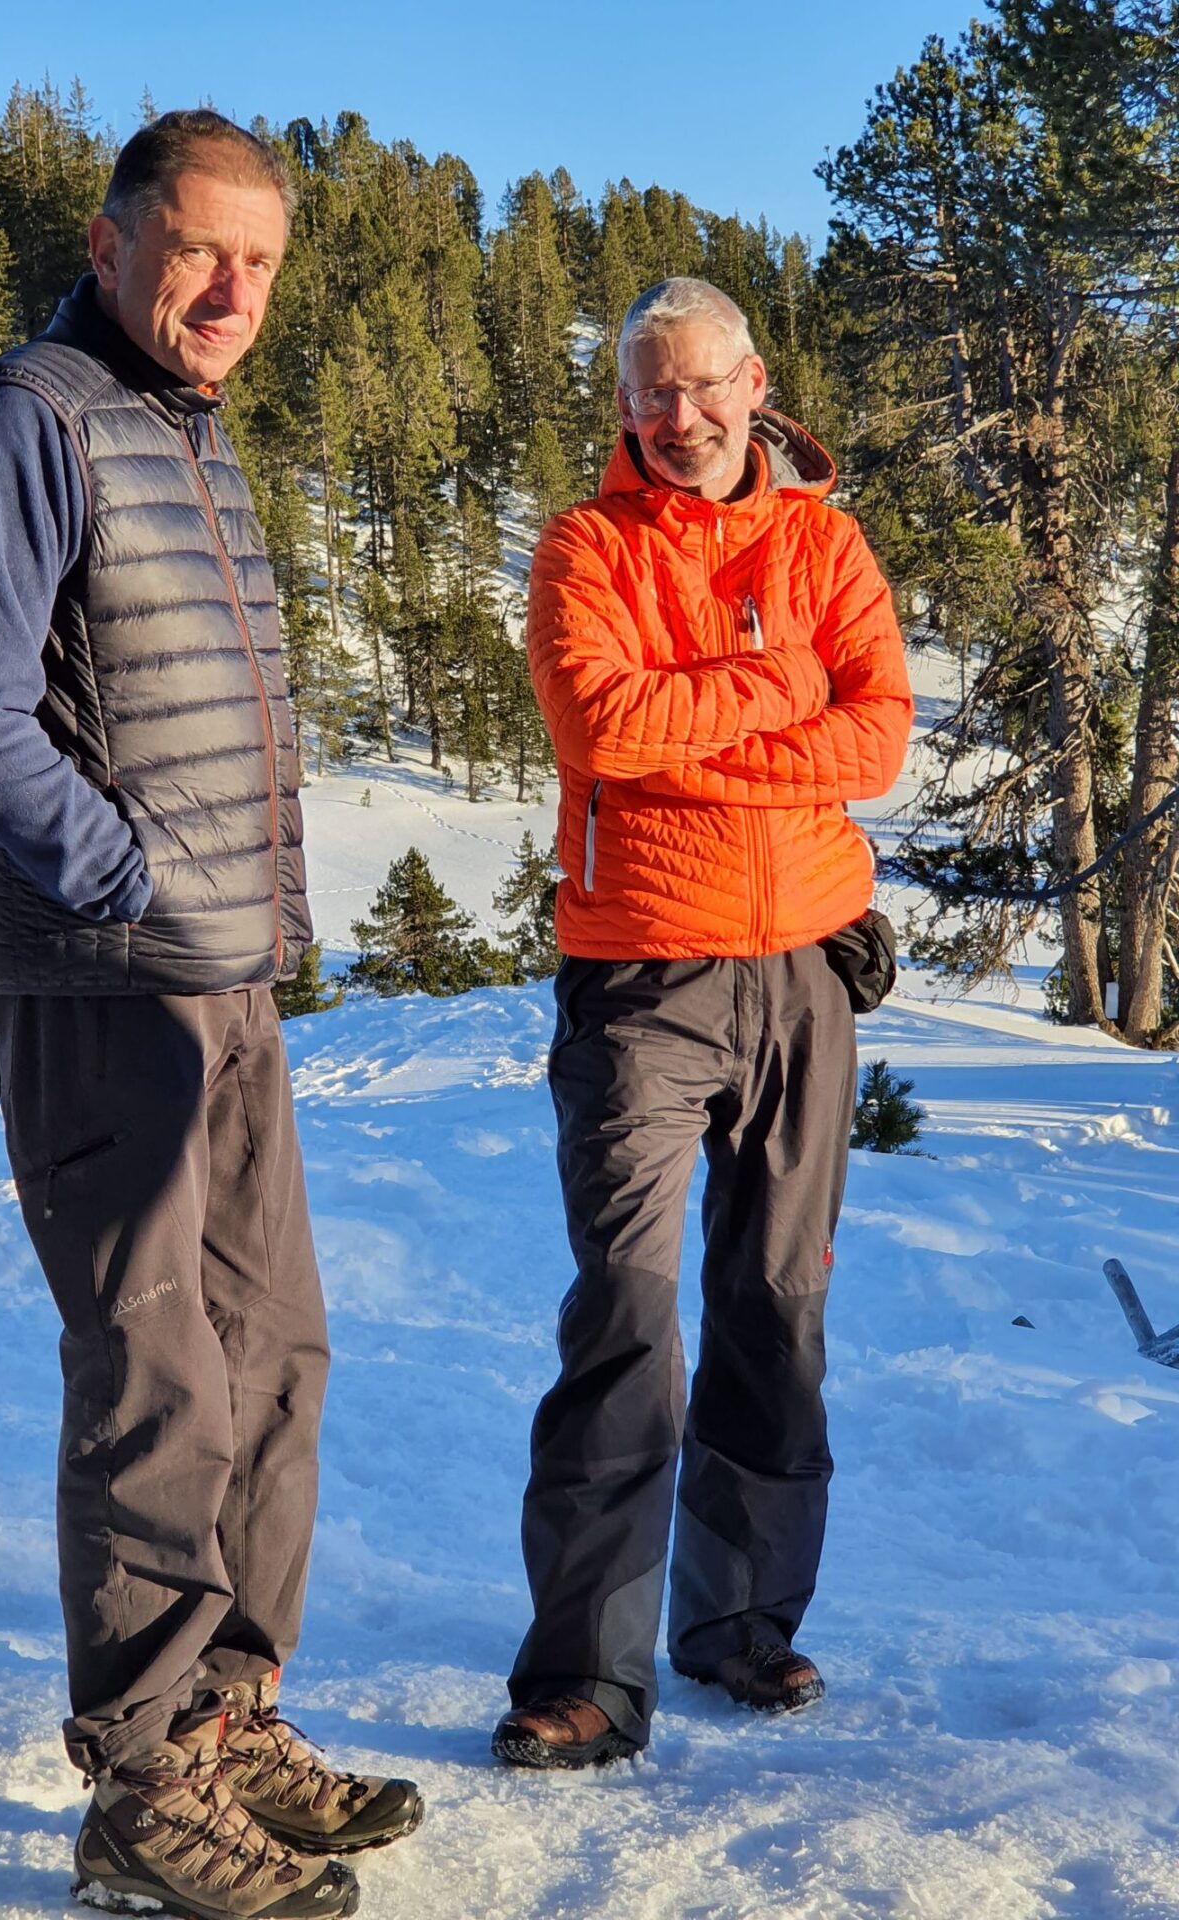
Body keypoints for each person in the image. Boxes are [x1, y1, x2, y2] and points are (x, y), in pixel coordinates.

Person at [0, 109, 421, 1918]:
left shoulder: (187, 435)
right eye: (198, 250)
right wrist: (122, 880)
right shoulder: (31, 415)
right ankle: (140, 1789)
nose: (228, 292)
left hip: (227, 979)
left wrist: (230, 920)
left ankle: (227, 1715)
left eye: (258, 263)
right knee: (154, 1383)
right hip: (105, 983)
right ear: (114, 243)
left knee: (272, 1357)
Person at [492, 278, 913, 1771]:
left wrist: (699, 732)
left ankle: (741, 1623)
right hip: (640, 974)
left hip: (805, 970)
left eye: (704, 386)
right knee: (626, 1310)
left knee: (777, 1303)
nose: (682, 418)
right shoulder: (585, 547)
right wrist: (783, 688)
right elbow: (601, 728)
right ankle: (586, 1677)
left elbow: (879, 736)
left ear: (755, 385)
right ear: (625, 407)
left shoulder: (826, 544)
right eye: (652, 394)